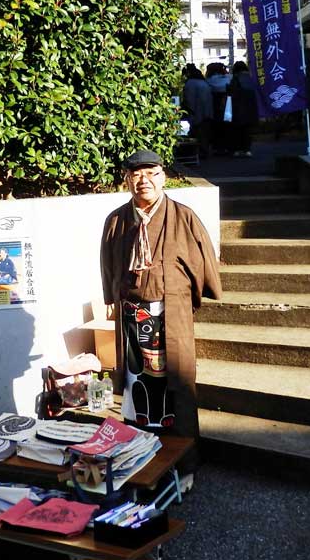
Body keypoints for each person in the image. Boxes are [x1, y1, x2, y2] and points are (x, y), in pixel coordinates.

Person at [100, 149, 222, 481]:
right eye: (137, 175)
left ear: (163, 177)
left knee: (177, 387)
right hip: (132, 316)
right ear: (127, 180)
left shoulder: (183, 216)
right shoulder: (116, 220)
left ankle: (184, 465)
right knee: (138, 386)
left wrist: (189, 293)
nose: (145, 181)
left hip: (171, 313)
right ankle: (141, 458)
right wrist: (111, 295)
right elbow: (108, 263)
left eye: (151, 173)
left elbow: (203, 260)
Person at [181, 65, 214, 159]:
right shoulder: (204, 83)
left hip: (196, 113)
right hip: (207, 112)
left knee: (196, 134)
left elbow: (189, 100)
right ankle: (205, 152)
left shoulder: (190, 84)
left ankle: (195, 153)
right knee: (205, 133)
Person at [228, 61, 259, 157]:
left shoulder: (235, 79)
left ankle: (237, 150)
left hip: (237, 109)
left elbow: (232, 94)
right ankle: (247, 150)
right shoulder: (251, 79)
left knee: (237, 131)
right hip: (250, 109)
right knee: (247, 131)